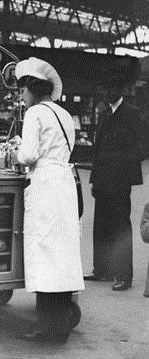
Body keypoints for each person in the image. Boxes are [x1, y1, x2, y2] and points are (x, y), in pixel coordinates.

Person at [9, 57, 84, 343]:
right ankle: (60, 325)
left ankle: (45, 327)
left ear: (30, 87)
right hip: (63, 185)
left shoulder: (35, 114)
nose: (20, 96)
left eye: (21, 90)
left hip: (44, 186)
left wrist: (15, 149)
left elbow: (28, 155)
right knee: (61, 256)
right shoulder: (64, 114)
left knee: (44, 254)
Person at [84, 61, 148, 291]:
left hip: (120, 181)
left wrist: (120, 164)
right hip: (102, 181)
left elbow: (143, 148)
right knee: (101, 226)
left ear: (120, 90)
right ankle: (101, 270)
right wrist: (93, 178)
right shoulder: (104, 114)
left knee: (120, 227)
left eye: (112, 88)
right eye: (105, 88)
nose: (107, 92)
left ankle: (123, 276)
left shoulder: (133, 114)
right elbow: (98, 149)